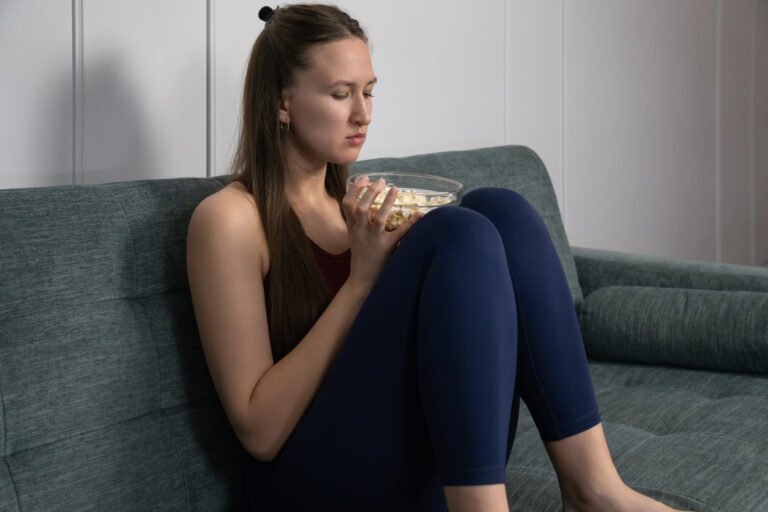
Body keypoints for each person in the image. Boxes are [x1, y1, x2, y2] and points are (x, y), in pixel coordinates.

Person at [186, 4, 690, 511]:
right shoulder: (230, 219)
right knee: (458, 232)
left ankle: (593, 491)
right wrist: (362, 282)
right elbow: (258, 431)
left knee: (501, 209)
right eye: (341, 94)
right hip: (306, 484)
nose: (363, 114)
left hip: (413, 467)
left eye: (369, 91)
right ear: (282, 103)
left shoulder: (355, 210)